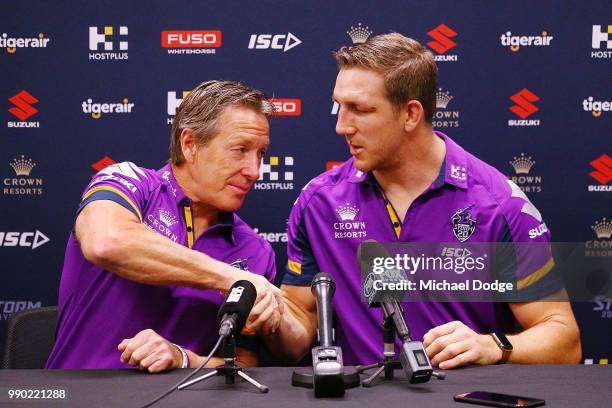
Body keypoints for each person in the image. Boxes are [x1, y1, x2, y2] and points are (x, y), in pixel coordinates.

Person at [264, 33, 581, 368]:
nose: (342, 126)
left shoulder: (500, 205)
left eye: (360, 109)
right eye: (339, 106)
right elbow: (297, 333)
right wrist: (270, 314)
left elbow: (563, 340)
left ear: (411, 114)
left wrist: (491, 345)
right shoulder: (319, 203)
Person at [47, 80, 283, 372]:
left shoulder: (255, 250)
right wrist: (232, 278)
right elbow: (105, 242)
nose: (255, 171)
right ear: (190, 145)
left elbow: (244, 365)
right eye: (240, 150)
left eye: (260, 153)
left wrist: (183, 358)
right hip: (77, 397)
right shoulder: (131, 182)